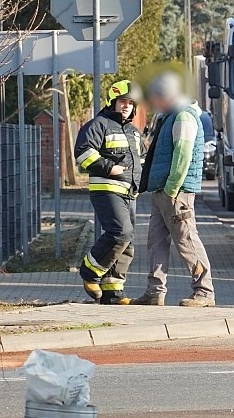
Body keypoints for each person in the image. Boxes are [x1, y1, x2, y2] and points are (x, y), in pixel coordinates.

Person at [132, 72, 216, 307]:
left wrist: (171, 189)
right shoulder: (170, 116)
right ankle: (154, 292)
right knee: (156, 242)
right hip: (163, 191)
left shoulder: (183, 117)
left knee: (186, 240)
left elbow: (183, 155)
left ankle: (204, 291)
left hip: (176, 192)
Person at [75, 80, 145, 305]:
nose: (126, 106)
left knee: (127, 242)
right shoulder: (99, 124)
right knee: (120, 233)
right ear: (112, 102)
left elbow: (141, 160)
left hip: (129, 193)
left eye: (130, 103)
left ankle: (112, 291)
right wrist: (108, 167)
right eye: (122, 101)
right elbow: (83, 153)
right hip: (106, 189)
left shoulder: (134, 132)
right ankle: (89, 271)